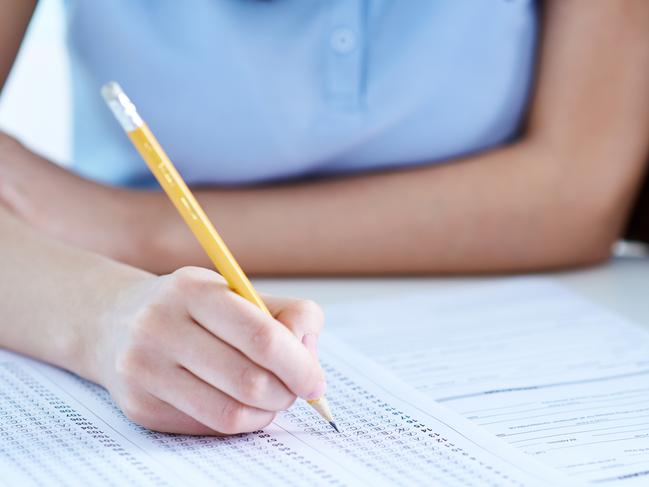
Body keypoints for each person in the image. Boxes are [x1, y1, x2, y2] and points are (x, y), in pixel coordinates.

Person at [1, 1, 648, 435]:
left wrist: (132, 228)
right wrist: (100, 315)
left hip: (534, 306)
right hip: (121, 291)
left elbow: (575, 193)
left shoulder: (122, 226)